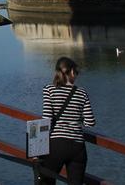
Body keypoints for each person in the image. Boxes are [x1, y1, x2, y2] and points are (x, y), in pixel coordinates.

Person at [39, 57, 96, 185]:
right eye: (76, 72)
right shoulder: (82, 92)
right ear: (71, 72)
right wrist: (77, 118)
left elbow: (46, 119)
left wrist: (37, 147)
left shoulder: (49, 90)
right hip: (78, 147)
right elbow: (90, 122)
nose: (76, 75)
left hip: (57, 144)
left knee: (45, 181)